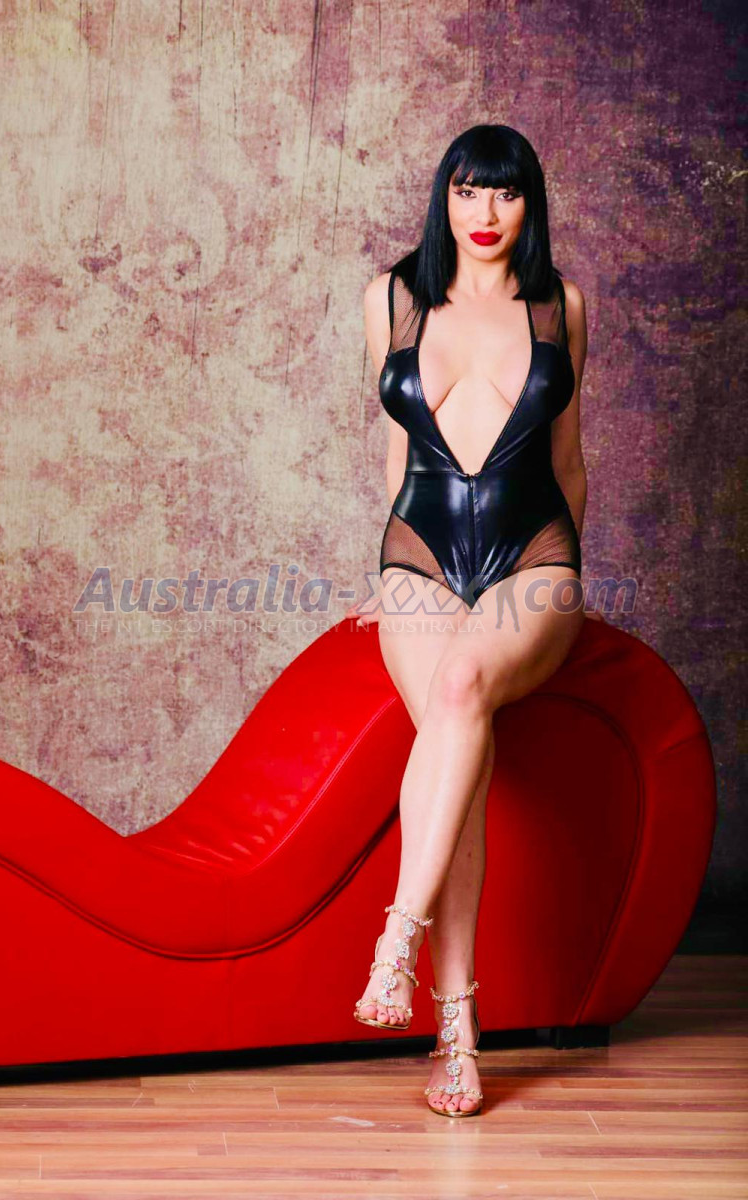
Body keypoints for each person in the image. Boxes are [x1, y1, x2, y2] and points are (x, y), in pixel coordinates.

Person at [345, 124, 600, 1118]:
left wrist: (565, 580)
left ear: (529, 204)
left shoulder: (560, 306)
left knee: (460, 686)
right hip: (419, 551)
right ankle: (457, 1033)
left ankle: (395, 943)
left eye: (504, 193)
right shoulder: (392, 298)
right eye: (465, 191)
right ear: (442, 199)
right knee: (464, 745)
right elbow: (394, 453)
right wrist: (389, 572)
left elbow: (567, 457)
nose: (483, 214)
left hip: (532, 557)